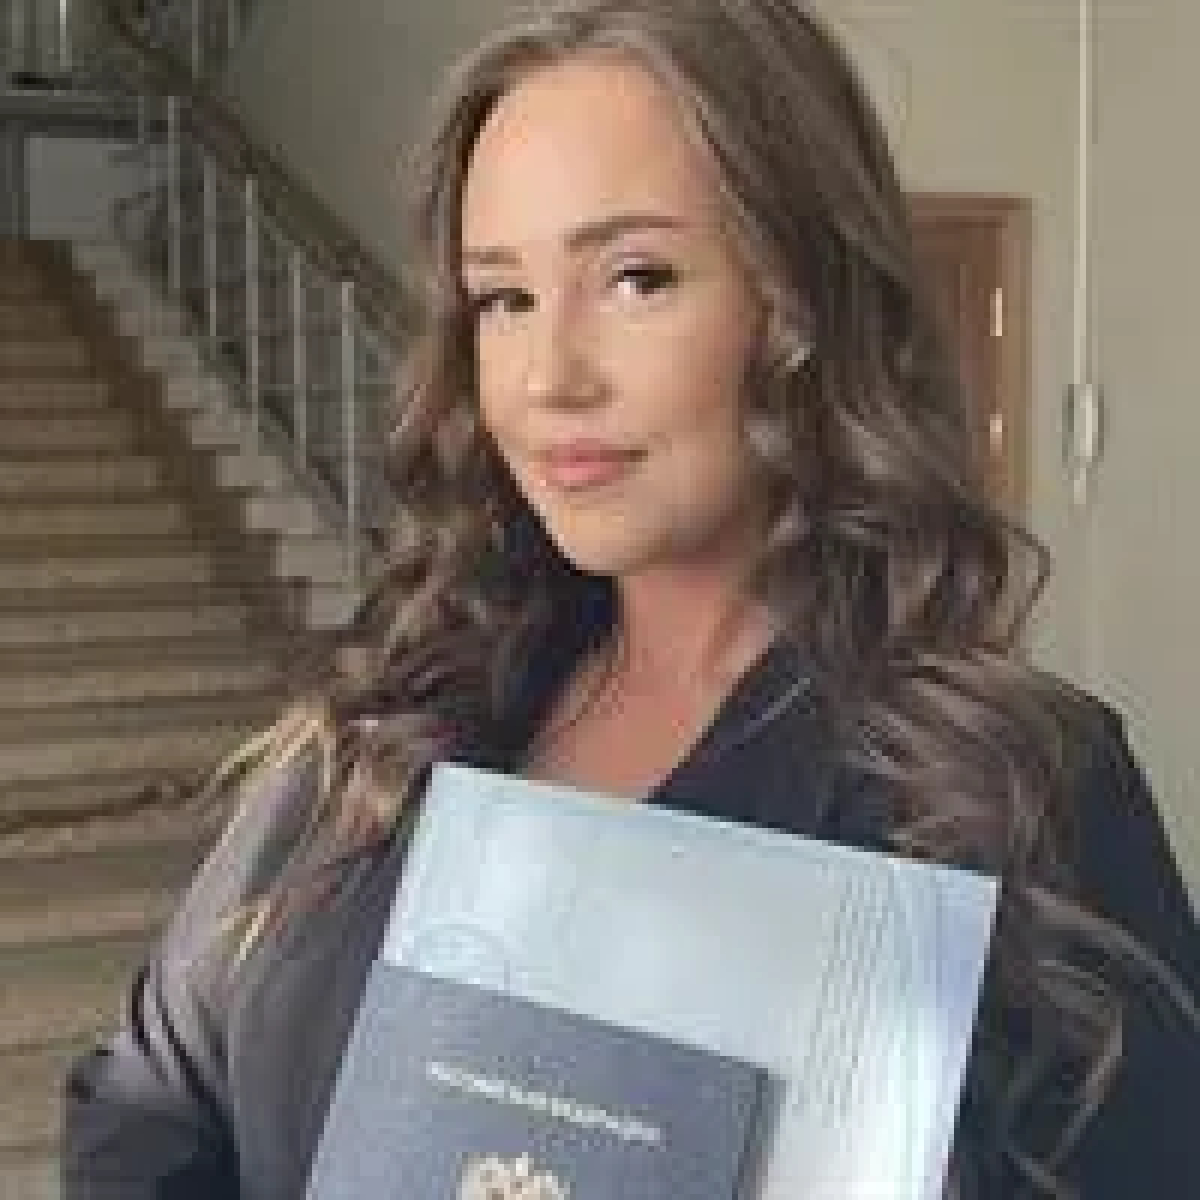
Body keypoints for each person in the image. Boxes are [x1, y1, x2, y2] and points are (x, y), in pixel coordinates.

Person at [63, 1, 1199, 1197]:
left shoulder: (1018, 791)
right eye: (503, 298)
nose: (550, 377)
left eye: (636, 278)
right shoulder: (380, 729)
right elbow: (146, 1096)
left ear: (807, 304)